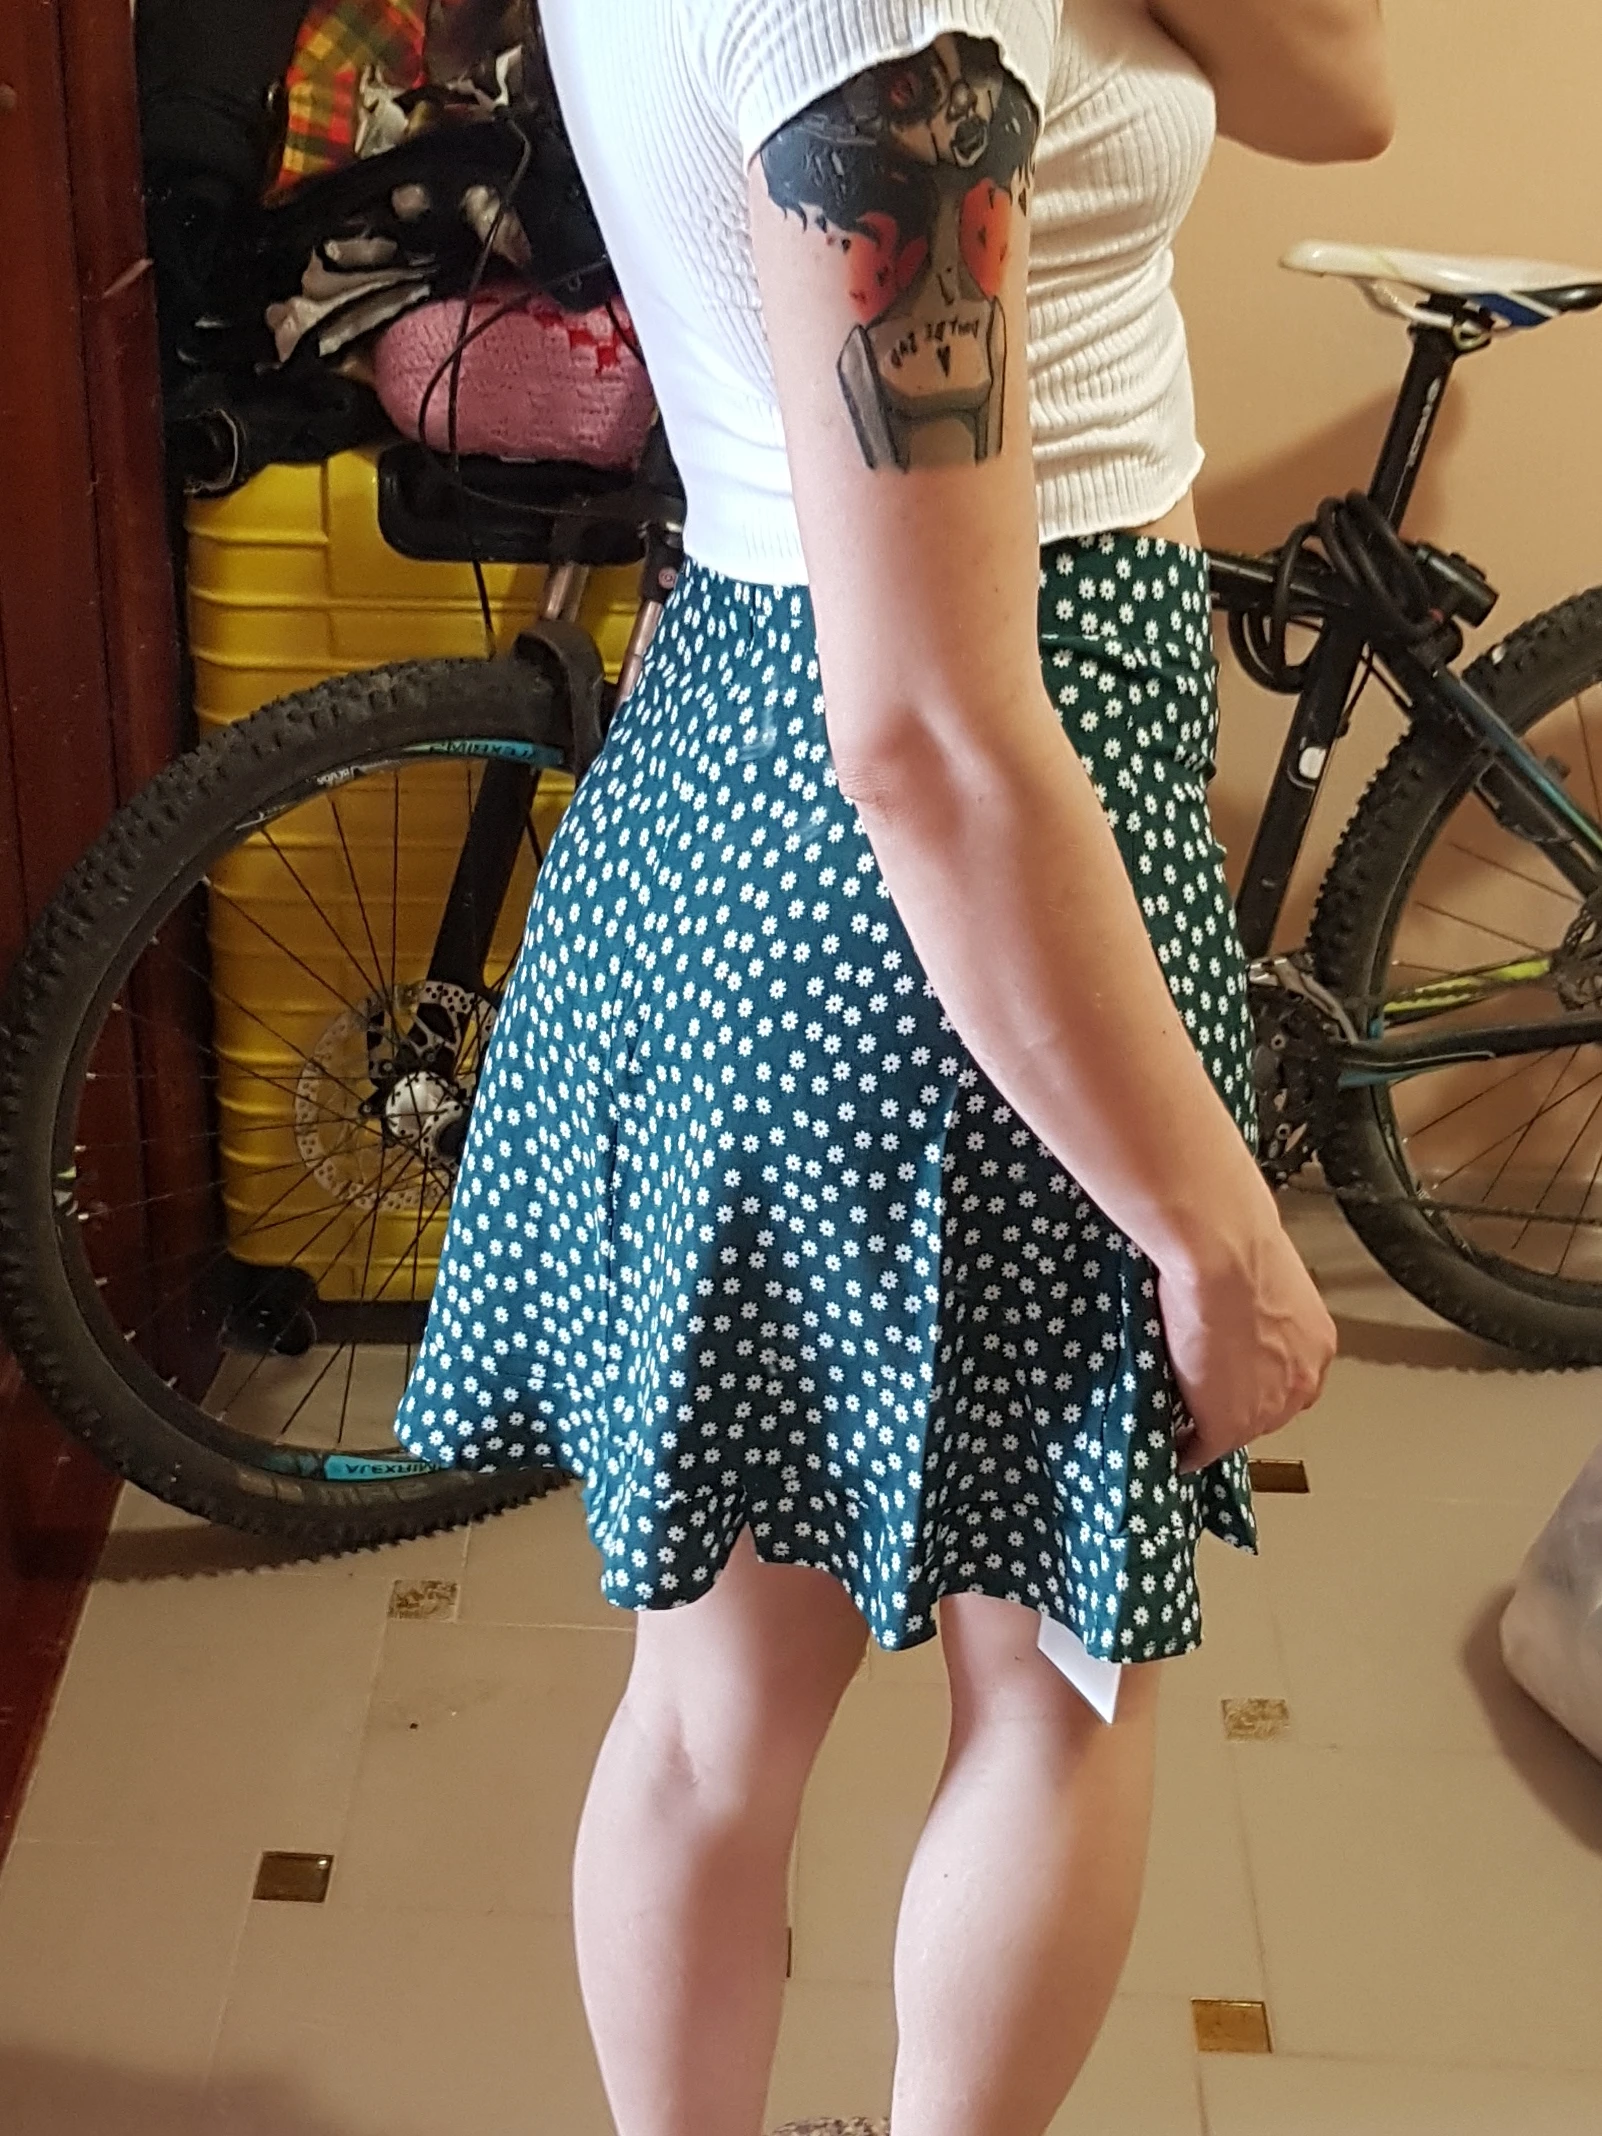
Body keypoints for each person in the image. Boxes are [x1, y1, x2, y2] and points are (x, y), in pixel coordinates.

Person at [394, 3, 1390, 2131]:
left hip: (741, 772)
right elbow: (930, 734)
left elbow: (1347, 94)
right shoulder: (881, 23)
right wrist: (1218, 1241)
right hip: (976, 854)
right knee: (1053, 1683)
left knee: (710, 1713)